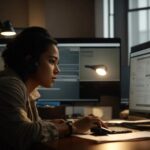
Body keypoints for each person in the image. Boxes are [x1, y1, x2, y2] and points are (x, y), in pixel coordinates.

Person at [0, 27, 105, 150]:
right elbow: (22, 134)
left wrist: (62, 125)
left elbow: (35, 127)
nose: (57, 70)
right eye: (51, 61)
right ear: (30, 60)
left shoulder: (28, 91)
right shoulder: (9, 85)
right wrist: (72, 127)